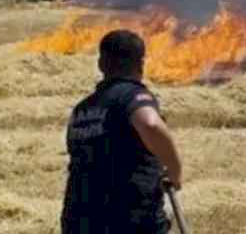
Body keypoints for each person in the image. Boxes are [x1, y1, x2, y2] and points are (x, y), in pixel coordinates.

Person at [61, 29, 184, 234]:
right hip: (128, 218)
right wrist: (175, 171)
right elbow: (150, 124)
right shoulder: (131, 95)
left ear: (101, 64)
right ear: (141, 64)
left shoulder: (82, 110)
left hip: (79, 219)